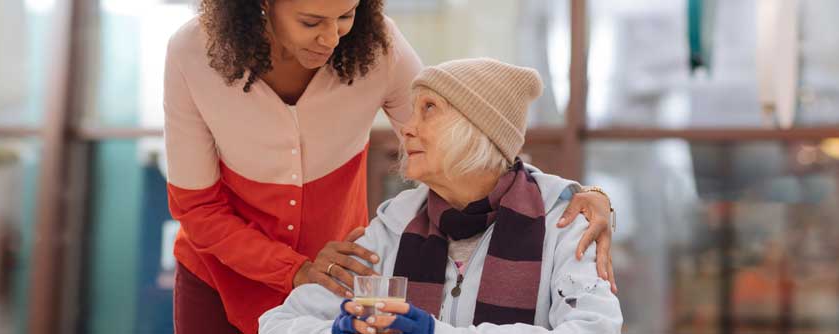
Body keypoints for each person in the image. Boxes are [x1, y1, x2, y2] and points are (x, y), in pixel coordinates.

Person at [164, 1, 618, 332]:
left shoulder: (377, 45)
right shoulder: (191, 53)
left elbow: (472, 133)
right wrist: (302, 280)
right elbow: (198, 208)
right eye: (310, 21)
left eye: (346, 16)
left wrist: (578, 195)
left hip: (339, 263)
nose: (332, 37)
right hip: (222, 270)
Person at [259, 58, 623, 333]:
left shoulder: (562, 220)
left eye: (429, 109)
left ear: (478, 129)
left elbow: (595, 328)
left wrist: (435, 331)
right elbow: (276, 324)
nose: (407, 129)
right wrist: (341, 329)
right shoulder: (394, 225)